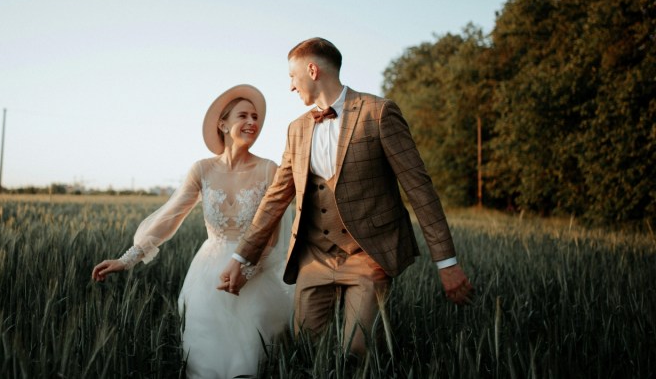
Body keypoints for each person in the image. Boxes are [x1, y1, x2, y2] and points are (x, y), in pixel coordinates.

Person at [219, 38, 474, 356]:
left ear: (312, 70)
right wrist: (242, 258)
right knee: (306, 349)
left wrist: (447, 263)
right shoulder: (296, 129)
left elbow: (420, 190)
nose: (290, 87)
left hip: (368, 255)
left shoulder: (379, 113)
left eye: (292, 76)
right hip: (313, 258)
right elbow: (275, 198)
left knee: (358, 349)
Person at [92, 84, 292, 379]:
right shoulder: (202, 169)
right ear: (222, 124)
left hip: (255, 274)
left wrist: (246, 271)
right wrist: (128, 259)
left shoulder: (268, 169)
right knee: (205, 361)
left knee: (250, 361)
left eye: (255, 117)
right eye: (243, 116)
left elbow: (270, 231)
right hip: (207, 278)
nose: (252, 123)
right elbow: (170, 218)